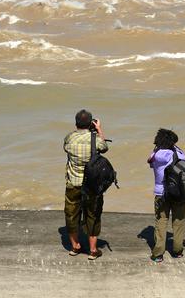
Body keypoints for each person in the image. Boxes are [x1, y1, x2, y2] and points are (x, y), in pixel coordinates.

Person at [63, 109, 109, 260]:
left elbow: (66, 149)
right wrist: (99, 129)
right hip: (92, 185)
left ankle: (75, 246)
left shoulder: (69, 138)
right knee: (93, 214)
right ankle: (93, 250)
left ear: (76, 123)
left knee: (71, 214)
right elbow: (105, 147)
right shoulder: (95, 139)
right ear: (91, 123)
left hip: (73, 183)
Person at [147, 128, 185, 263]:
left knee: (161, 222)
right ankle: (178, 251)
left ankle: (158, 254)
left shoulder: (156, 155)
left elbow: (151, 163)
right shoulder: (180, 153)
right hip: (178, 193)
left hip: (161, 193)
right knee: (178, 221)